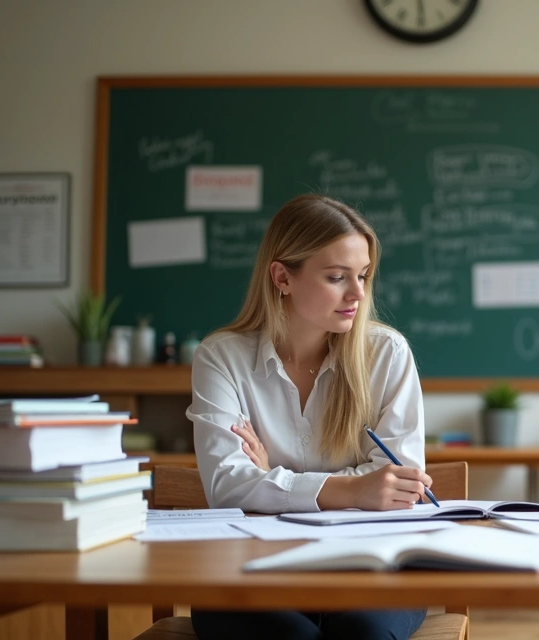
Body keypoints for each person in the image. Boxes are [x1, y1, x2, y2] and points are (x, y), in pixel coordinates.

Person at [186, 194, 429, 640]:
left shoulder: (387, 354)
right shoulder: (221, 358)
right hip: (255, 569)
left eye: (363, 275)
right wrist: (354, 488)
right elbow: (228, 485)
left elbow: (395, 485)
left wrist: (271, 480)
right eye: (337, 277)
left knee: (363, 633)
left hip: (370, 566)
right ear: (282, 277)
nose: (358, 293)